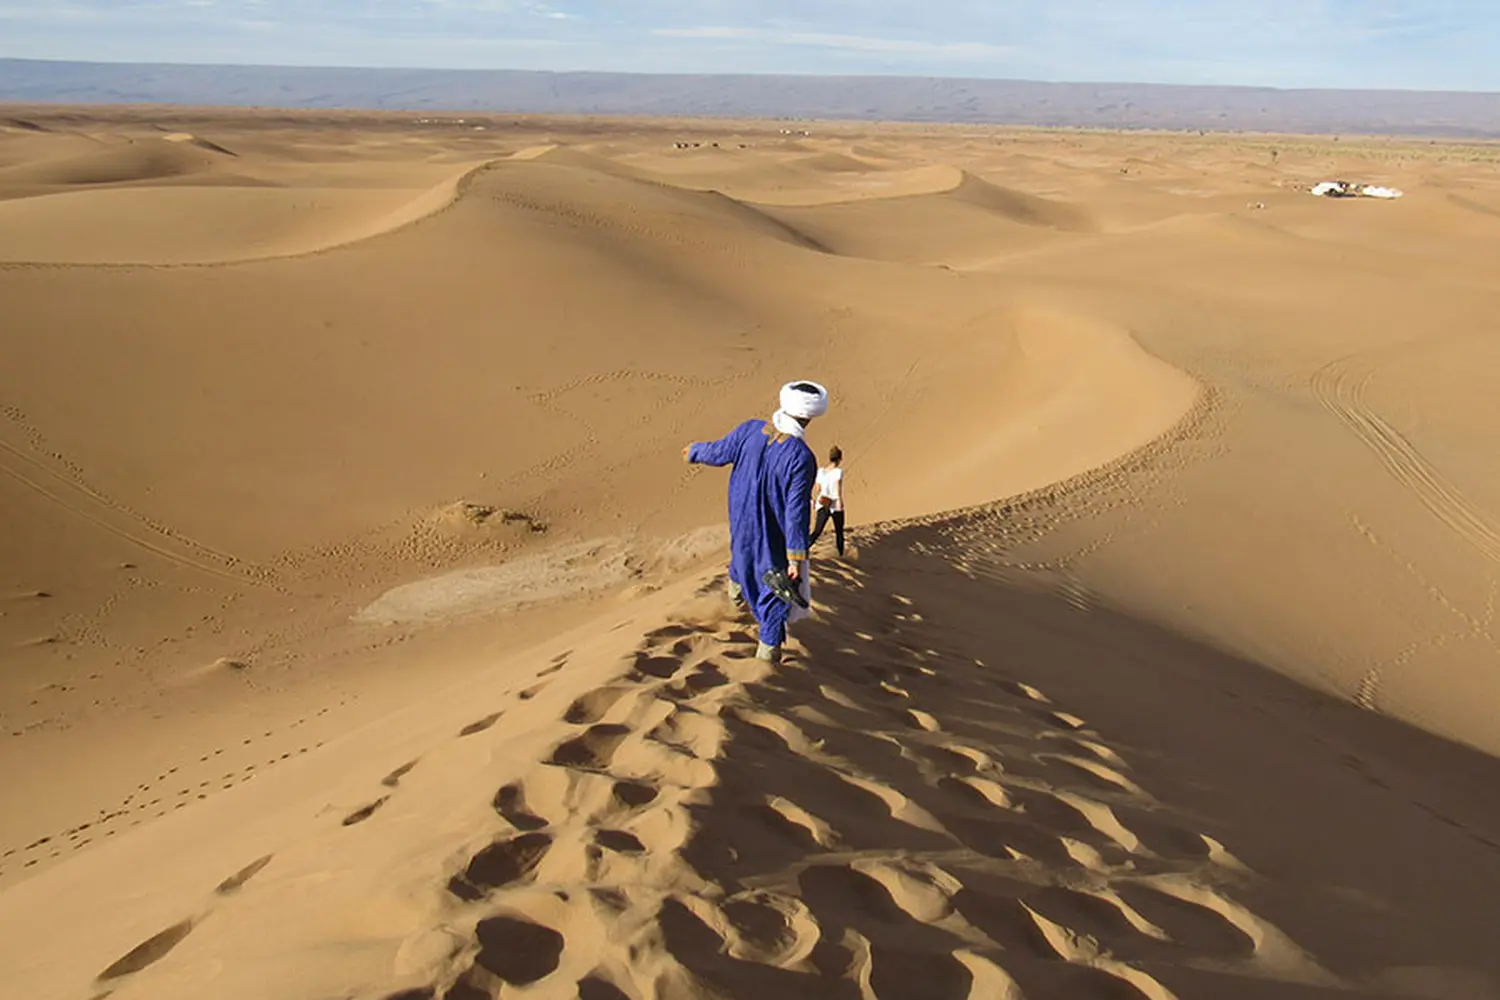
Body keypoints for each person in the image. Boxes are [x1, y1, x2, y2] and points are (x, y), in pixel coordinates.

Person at [683, 381, 828, 663]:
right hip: (770, 530)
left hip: (740, 518)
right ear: (810, 416)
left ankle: (735, 598)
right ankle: (766, 659)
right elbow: (796, 512)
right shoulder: (801, 457)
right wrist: (795, 557)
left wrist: (694, 451)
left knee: (741, 558)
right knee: (774, 589)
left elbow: (719, 451)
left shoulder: (750, 429)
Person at [809, 445, 846, 557]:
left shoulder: (820, 472)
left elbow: (817, 488)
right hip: (835, 504)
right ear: (839, 459)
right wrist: (840, 501)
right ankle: (841, 555)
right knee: (839, 532)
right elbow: (838, 488)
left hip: (822, 503)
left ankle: (803, 550)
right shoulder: (838, 472)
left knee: (817, 531)